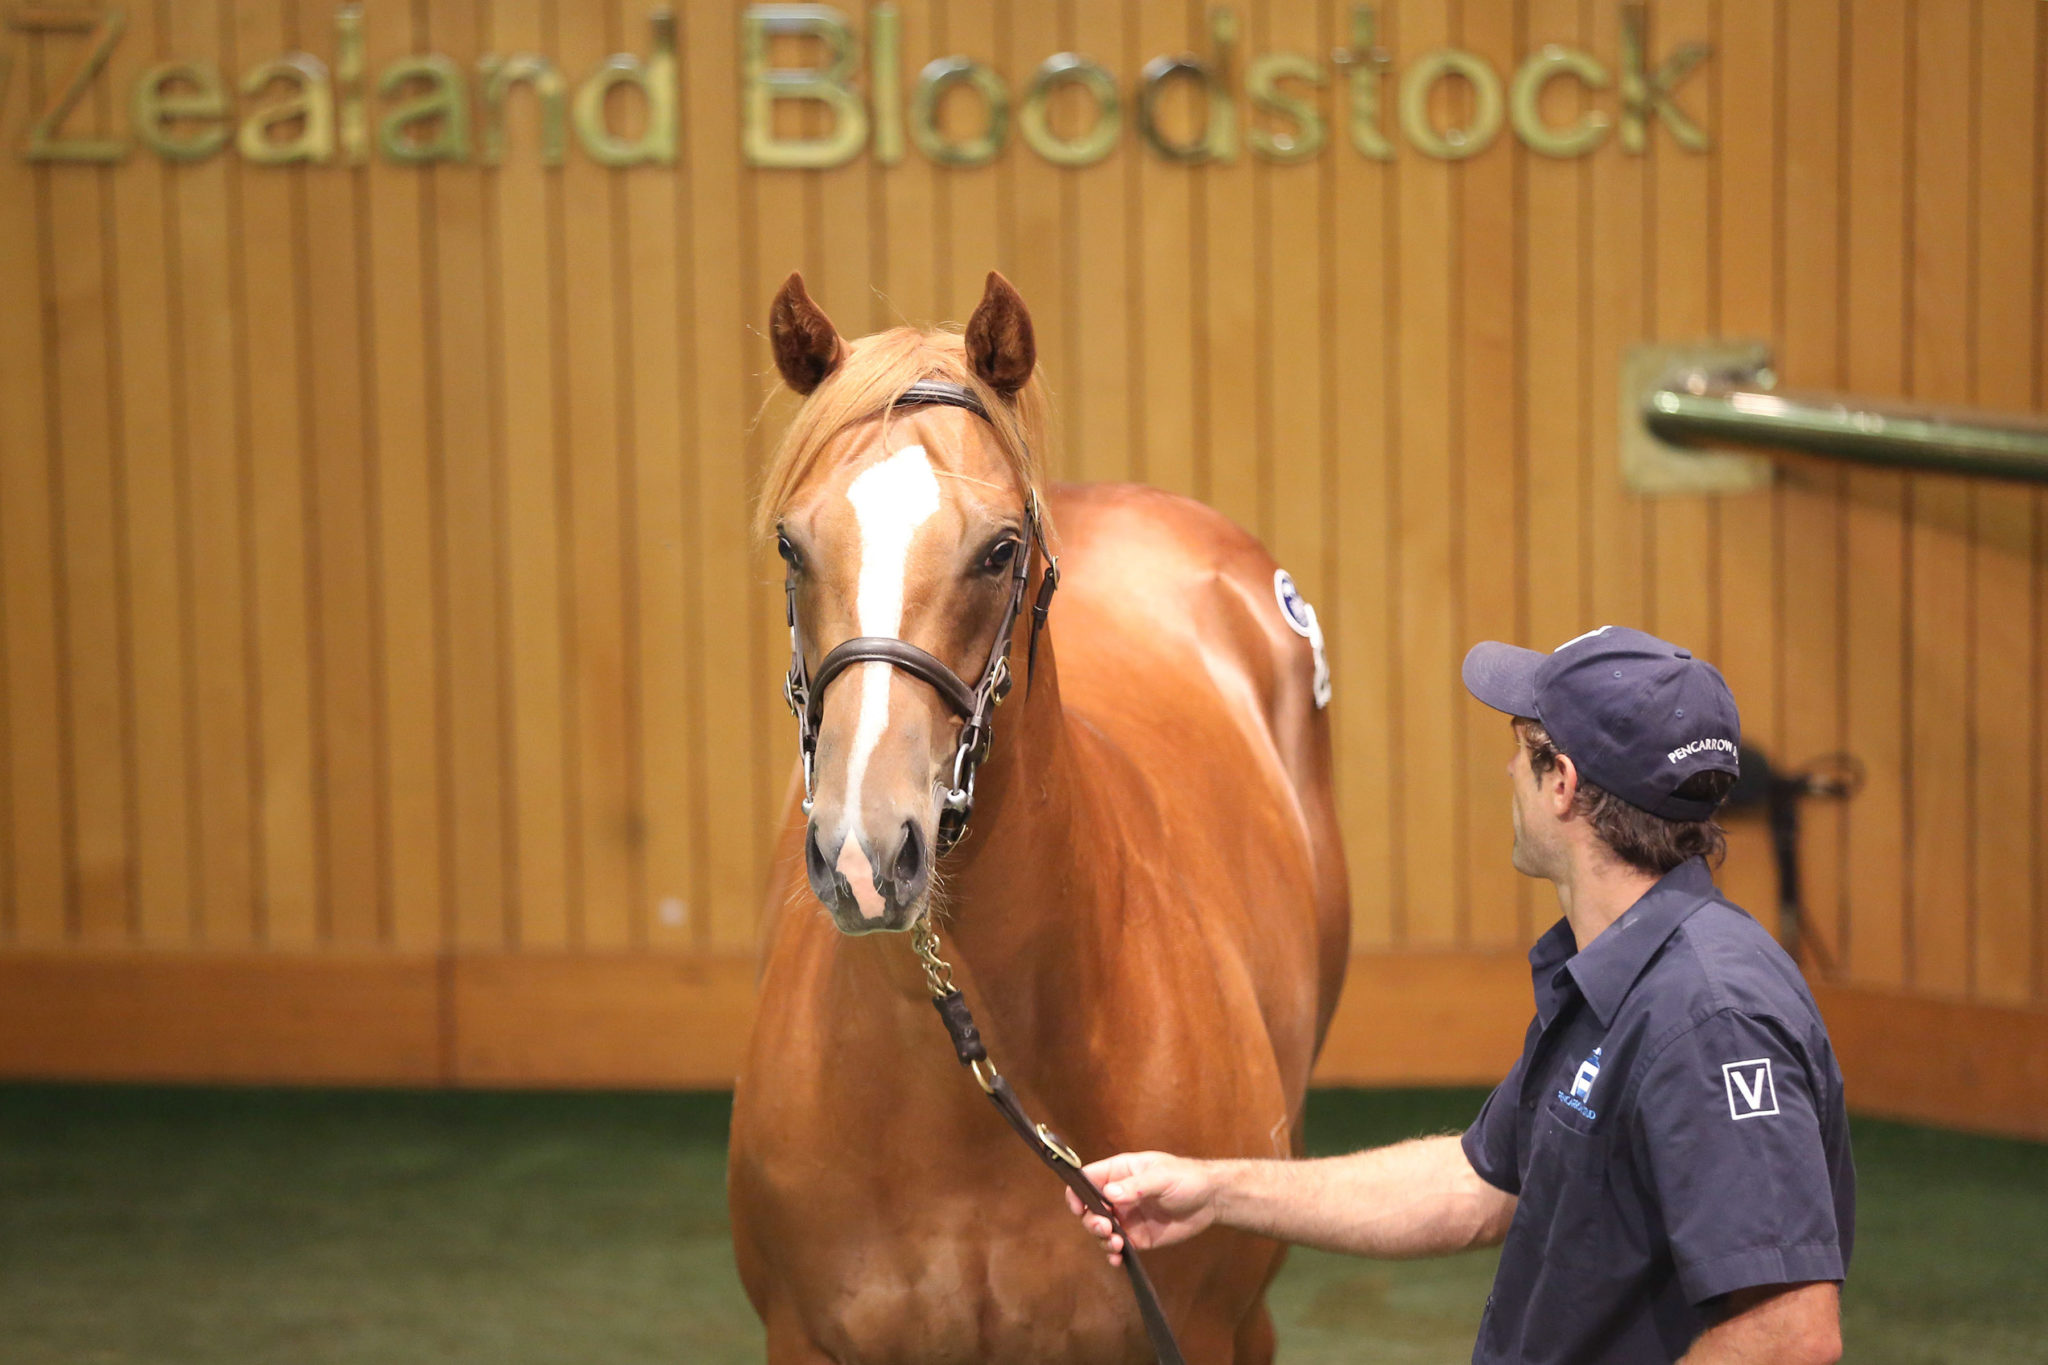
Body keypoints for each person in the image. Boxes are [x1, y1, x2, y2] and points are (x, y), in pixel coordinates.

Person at [1069, 626, 1854, 1364]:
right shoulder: (1624, 972)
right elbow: (1477, 1183)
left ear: (1563, 783)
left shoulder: (1709, 1014)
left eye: (1520, 748)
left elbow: (1788, 1335)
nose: (1506, 770)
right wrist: (1211, 1190)